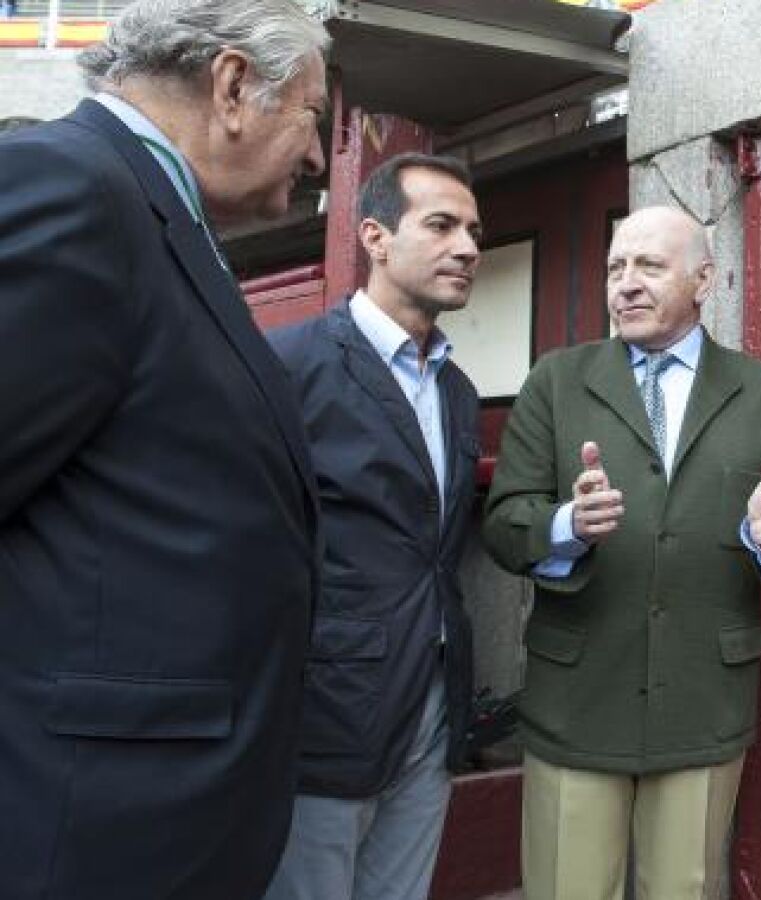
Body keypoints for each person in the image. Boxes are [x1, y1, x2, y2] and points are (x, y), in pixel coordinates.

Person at [0, 1, 328, 898]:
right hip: (94, 833)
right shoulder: (71, 187)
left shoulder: (156, 217)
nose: (316, 156)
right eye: (312, 115)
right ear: (233, 87)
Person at [482, 205, 761, 900]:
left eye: (649, 265)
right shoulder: (556, 381)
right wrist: (568, 526)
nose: (627, 283)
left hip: (703, 700)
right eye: (616, 267)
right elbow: (503, 524)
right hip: (577, 698)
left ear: (704, 280)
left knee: (685, 889)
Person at [262, 152, 484, 900]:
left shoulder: (457, 390)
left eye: (474, 232)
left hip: (434, 707)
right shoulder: (291, 364)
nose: (467, 247)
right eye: (442, 225)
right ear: (375, 237)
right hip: (324, 712)